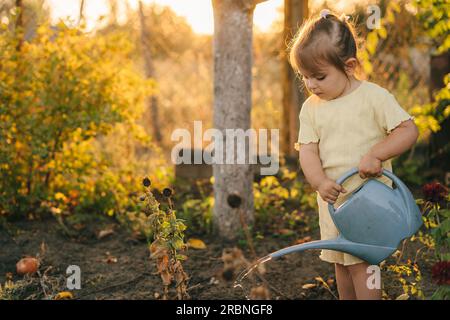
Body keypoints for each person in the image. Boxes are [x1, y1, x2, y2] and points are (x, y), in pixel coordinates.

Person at [289, 9, 419, 300]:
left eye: (319, 76)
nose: (310, 85)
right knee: (341, 263)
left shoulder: (373, 98)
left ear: (349, 66)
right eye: (304, 76)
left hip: (369, 202)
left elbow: (408, 130)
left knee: (363, 264)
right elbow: (307, 150)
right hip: (334, 203)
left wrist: (377, 153)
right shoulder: (311, 107)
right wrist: (319, 182)